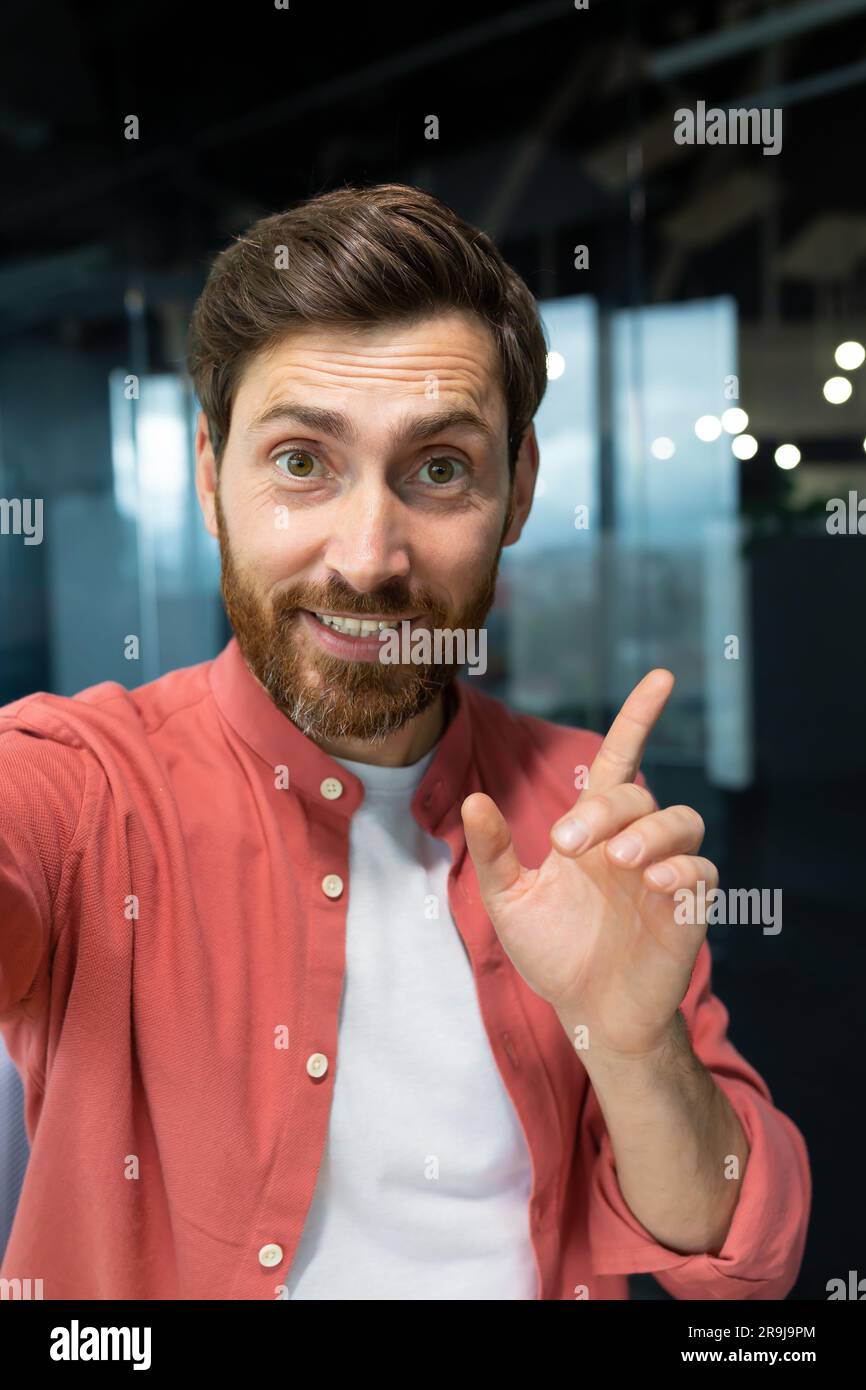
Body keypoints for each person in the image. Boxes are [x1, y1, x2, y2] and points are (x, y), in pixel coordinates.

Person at [0, 183, 810, 1300]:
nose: (369, 556)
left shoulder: (584, 806)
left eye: (437, 467)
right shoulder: (80, 785)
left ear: (516, 489)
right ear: (207, 474)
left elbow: (739, 1260)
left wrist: (632, 1048)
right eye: (299, 461)